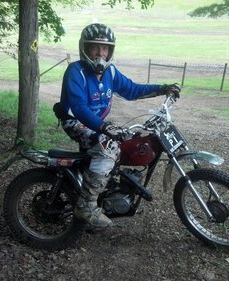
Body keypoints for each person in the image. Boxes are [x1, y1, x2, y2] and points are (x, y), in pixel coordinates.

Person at [54, 23, 180, 228]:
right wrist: (103, 128)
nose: (100, 53)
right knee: (107, 145)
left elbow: (131, 90)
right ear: (84, 48)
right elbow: (78, 107)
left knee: (129, 141)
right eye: (95, 47)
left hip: (98, 124)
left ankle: (107, 190)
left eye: (105, 48)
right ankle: (86, 205)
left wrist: (163, 88)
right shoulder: (75, 71)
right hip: (75, 122)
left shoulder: (110, 72)